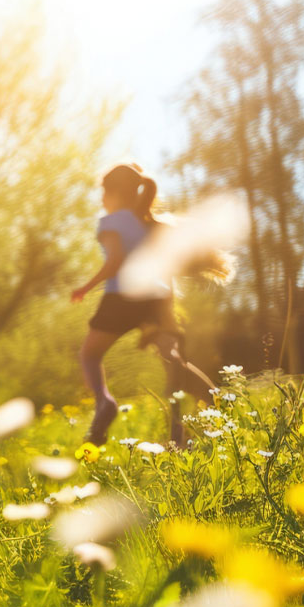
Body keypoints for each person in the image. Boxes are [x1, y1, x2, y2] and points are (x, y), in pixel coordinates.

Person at [71, 163, 228, 446]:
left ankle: (104, 402)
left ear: (115, 193)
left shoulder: (110, 223)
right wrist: (157, 316)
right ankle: (193, 422)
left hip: (121, 299)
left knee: (89, 354)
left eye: (103, 193)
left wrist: (85, 287)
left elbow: (116, 260)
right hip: (155, 298)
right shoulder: (148, 227)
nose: (101, 200)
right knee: (173, 363)